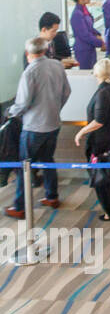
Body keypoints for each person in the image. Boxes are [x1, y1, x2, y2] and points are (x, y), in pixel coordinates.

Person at [6, 37, 71, 218]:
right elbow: (67, 92)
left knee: (24, 166)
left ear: (28, 54)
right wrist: (55, 108)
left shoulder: (30, 72)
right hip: (54, 123)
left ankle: (19, 206)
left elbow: (22, 103)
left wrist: (10, 112)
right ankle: (52, 196)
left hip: (34, 127)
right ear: (45, 50)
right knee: (48, 160)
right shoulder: (57, 65)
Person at [73, 57, 110, 222]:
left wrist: (81, 132)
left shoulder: (103, 93)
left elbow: (99, 121)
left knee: (102, 178)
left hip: (100, 141)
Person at [67, 0, 103, 70]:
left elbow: (90, 28)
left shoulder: (84, 10)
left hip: (90, 48)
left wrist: (98, 34)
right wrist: (100, 43)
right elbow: (84, 35)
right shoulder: (77, 14)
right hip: (83, 50)